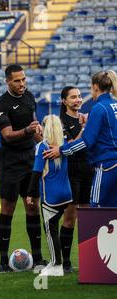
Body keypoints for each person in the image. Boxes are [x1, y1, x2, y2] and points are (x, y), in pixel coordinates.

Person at [0, 64, 46, 271]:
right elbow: (6, 135)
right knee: (9, 207)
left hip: (30, 158)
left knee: (32, 206)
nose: (22, 83)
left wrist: (43, 139)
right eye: (17, 80)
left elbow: (34, 124)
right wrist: (27, 130)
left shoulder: (29, 97)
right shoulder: (1, 104)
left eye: (24, 79)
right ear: (8, 81)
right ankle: (4, 261)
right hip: (10, 161)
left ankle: (39, 258)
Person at [44, 70, 117, 207]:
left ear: (95, 87)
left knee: (96, 210)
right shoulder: (114, 105)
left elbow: (86, 142)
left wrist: (61, 150)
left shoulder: (99, 108)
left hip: (107, 165)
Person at [27, 115, 72, 277]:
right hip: (67, 194)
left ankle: (57, 265)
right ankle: (60, 262)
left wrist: (31, 194)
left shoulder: (42, 146)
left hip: (50, 196)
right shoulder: (64, 144)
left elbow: (37, 172)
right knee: (59, 228)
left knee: (51, 231)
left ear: (45, 128)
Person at [58, 86, 93, 273]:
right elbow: (71, 146)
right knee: (70, 217)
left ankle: (88, 259)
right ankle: (66, 262)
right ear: (64, 101)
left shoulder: (86, 118)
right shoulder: (61, 121)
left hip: (89, 169)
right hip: (72, 171)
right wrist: (85, 128)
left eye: (79, 96)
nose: (78, 100)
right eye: (73, 97)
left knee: (88, 217)